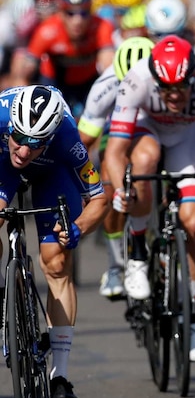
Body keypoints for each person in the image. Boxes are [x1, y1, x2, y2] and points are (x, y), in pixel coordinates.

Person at [104, 35, 195, 363]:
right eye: (167, 89)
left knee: (194, 224)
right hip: (146, 132)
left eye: (182, 88)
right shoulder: (136, 80)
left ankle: (192, 318)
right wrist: (124, 189)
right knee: (144, 162)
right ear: (154, 80)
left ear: (193, 78)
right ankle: (136, 253)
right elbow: (114, 151)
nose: (175, 95)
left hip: (189, 139)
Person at [0, 85, 109, 398]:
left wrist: (78, 227)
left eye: (34, 144)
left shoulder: (66, 138)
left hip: (52, 174)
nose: (23, 150)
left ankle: (60, 374)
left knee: (57, 261)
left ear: (48, 138)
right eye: (18, 138)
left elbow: (99, 199)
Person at [78, 36, 155, 298]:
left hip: (156, 130)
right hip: (117, 132)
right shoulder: (105, 85)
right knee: (110, 188)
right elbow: (83, 140)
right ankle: (115, 265)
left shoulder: (165, 79)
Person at [10, 0, 115, 114]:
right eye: (70, 13)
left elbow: (109, 70)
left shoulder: (101, 26)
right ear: (61, 13)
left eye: (84, 13)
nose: (78, 20)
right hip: (54, 82)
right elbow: (22, 75)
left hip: (88, 82)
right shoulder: (47, 31)